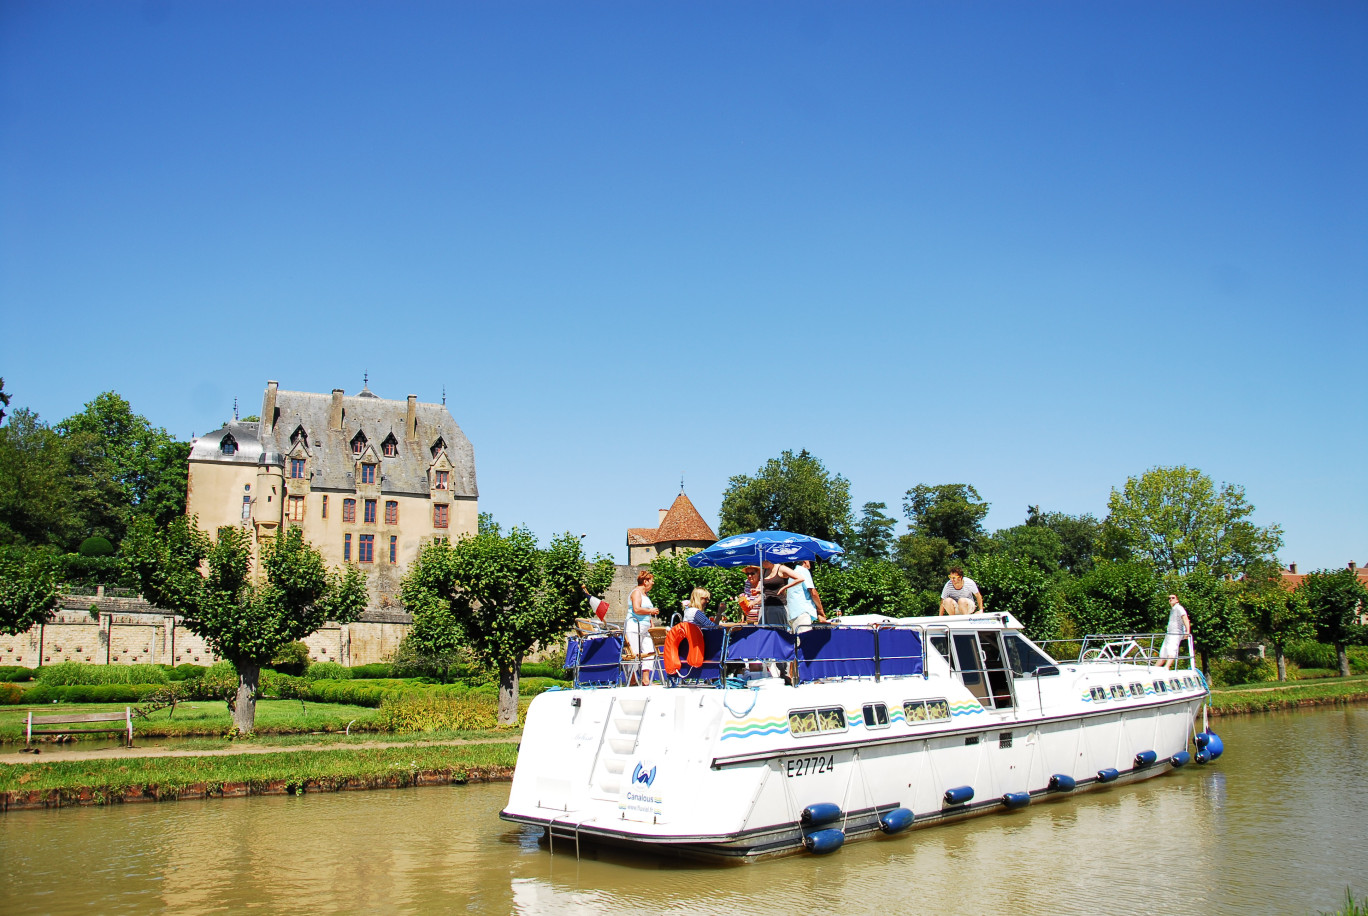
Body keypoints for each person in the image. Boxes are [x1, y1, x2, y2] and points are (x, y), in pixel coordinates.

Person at [626, 570, 659, 684]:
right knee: (634, 652)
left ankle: (645, 679)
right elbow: (637, 609)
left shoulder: (645, 595)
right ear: (645, 581)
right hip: (635, 626)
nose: (653, 583)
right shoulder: (636, 593)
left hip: (645, 627)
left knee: (649, 650)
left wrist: (652, 625)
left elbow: (647, 615)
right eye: (651, 581)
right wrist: (650, 610)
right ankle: (632, 679)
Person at [785, 559, 828, 632]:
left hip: (792, 613)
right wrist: (821, 611)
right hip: (802, 612)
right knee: (805, 640)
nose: (810, 564)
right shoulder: (803, 571)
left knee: (797, 641)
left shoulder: (793, 573)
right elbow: (813, 592)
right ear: (805, 561)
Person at [761, 560, 804, 627]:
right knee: (764, 632)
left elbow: (800, 578)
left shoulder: (781, 568)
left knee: (776, 632)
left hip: (778, 606)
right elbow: (766, 589)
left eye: (763, 561)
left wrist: (784, 588)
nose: (761, 563)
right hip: (766, 606)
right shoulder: (765, 570)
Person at [1157, 594, 1191, 670]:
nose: (1171, 599)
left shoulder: (1179, 608)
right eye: (1169, 598)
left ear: (1177, 600)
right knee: (1163, 651)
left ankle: (1167, 667)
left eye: (1173, 598)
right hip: (1169, 633)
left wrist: (1187, 631)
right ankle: (1155, 668)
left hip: (1176, 633)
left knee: (1171, 649)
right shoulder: (1172, 609)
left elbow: (1185, 618)